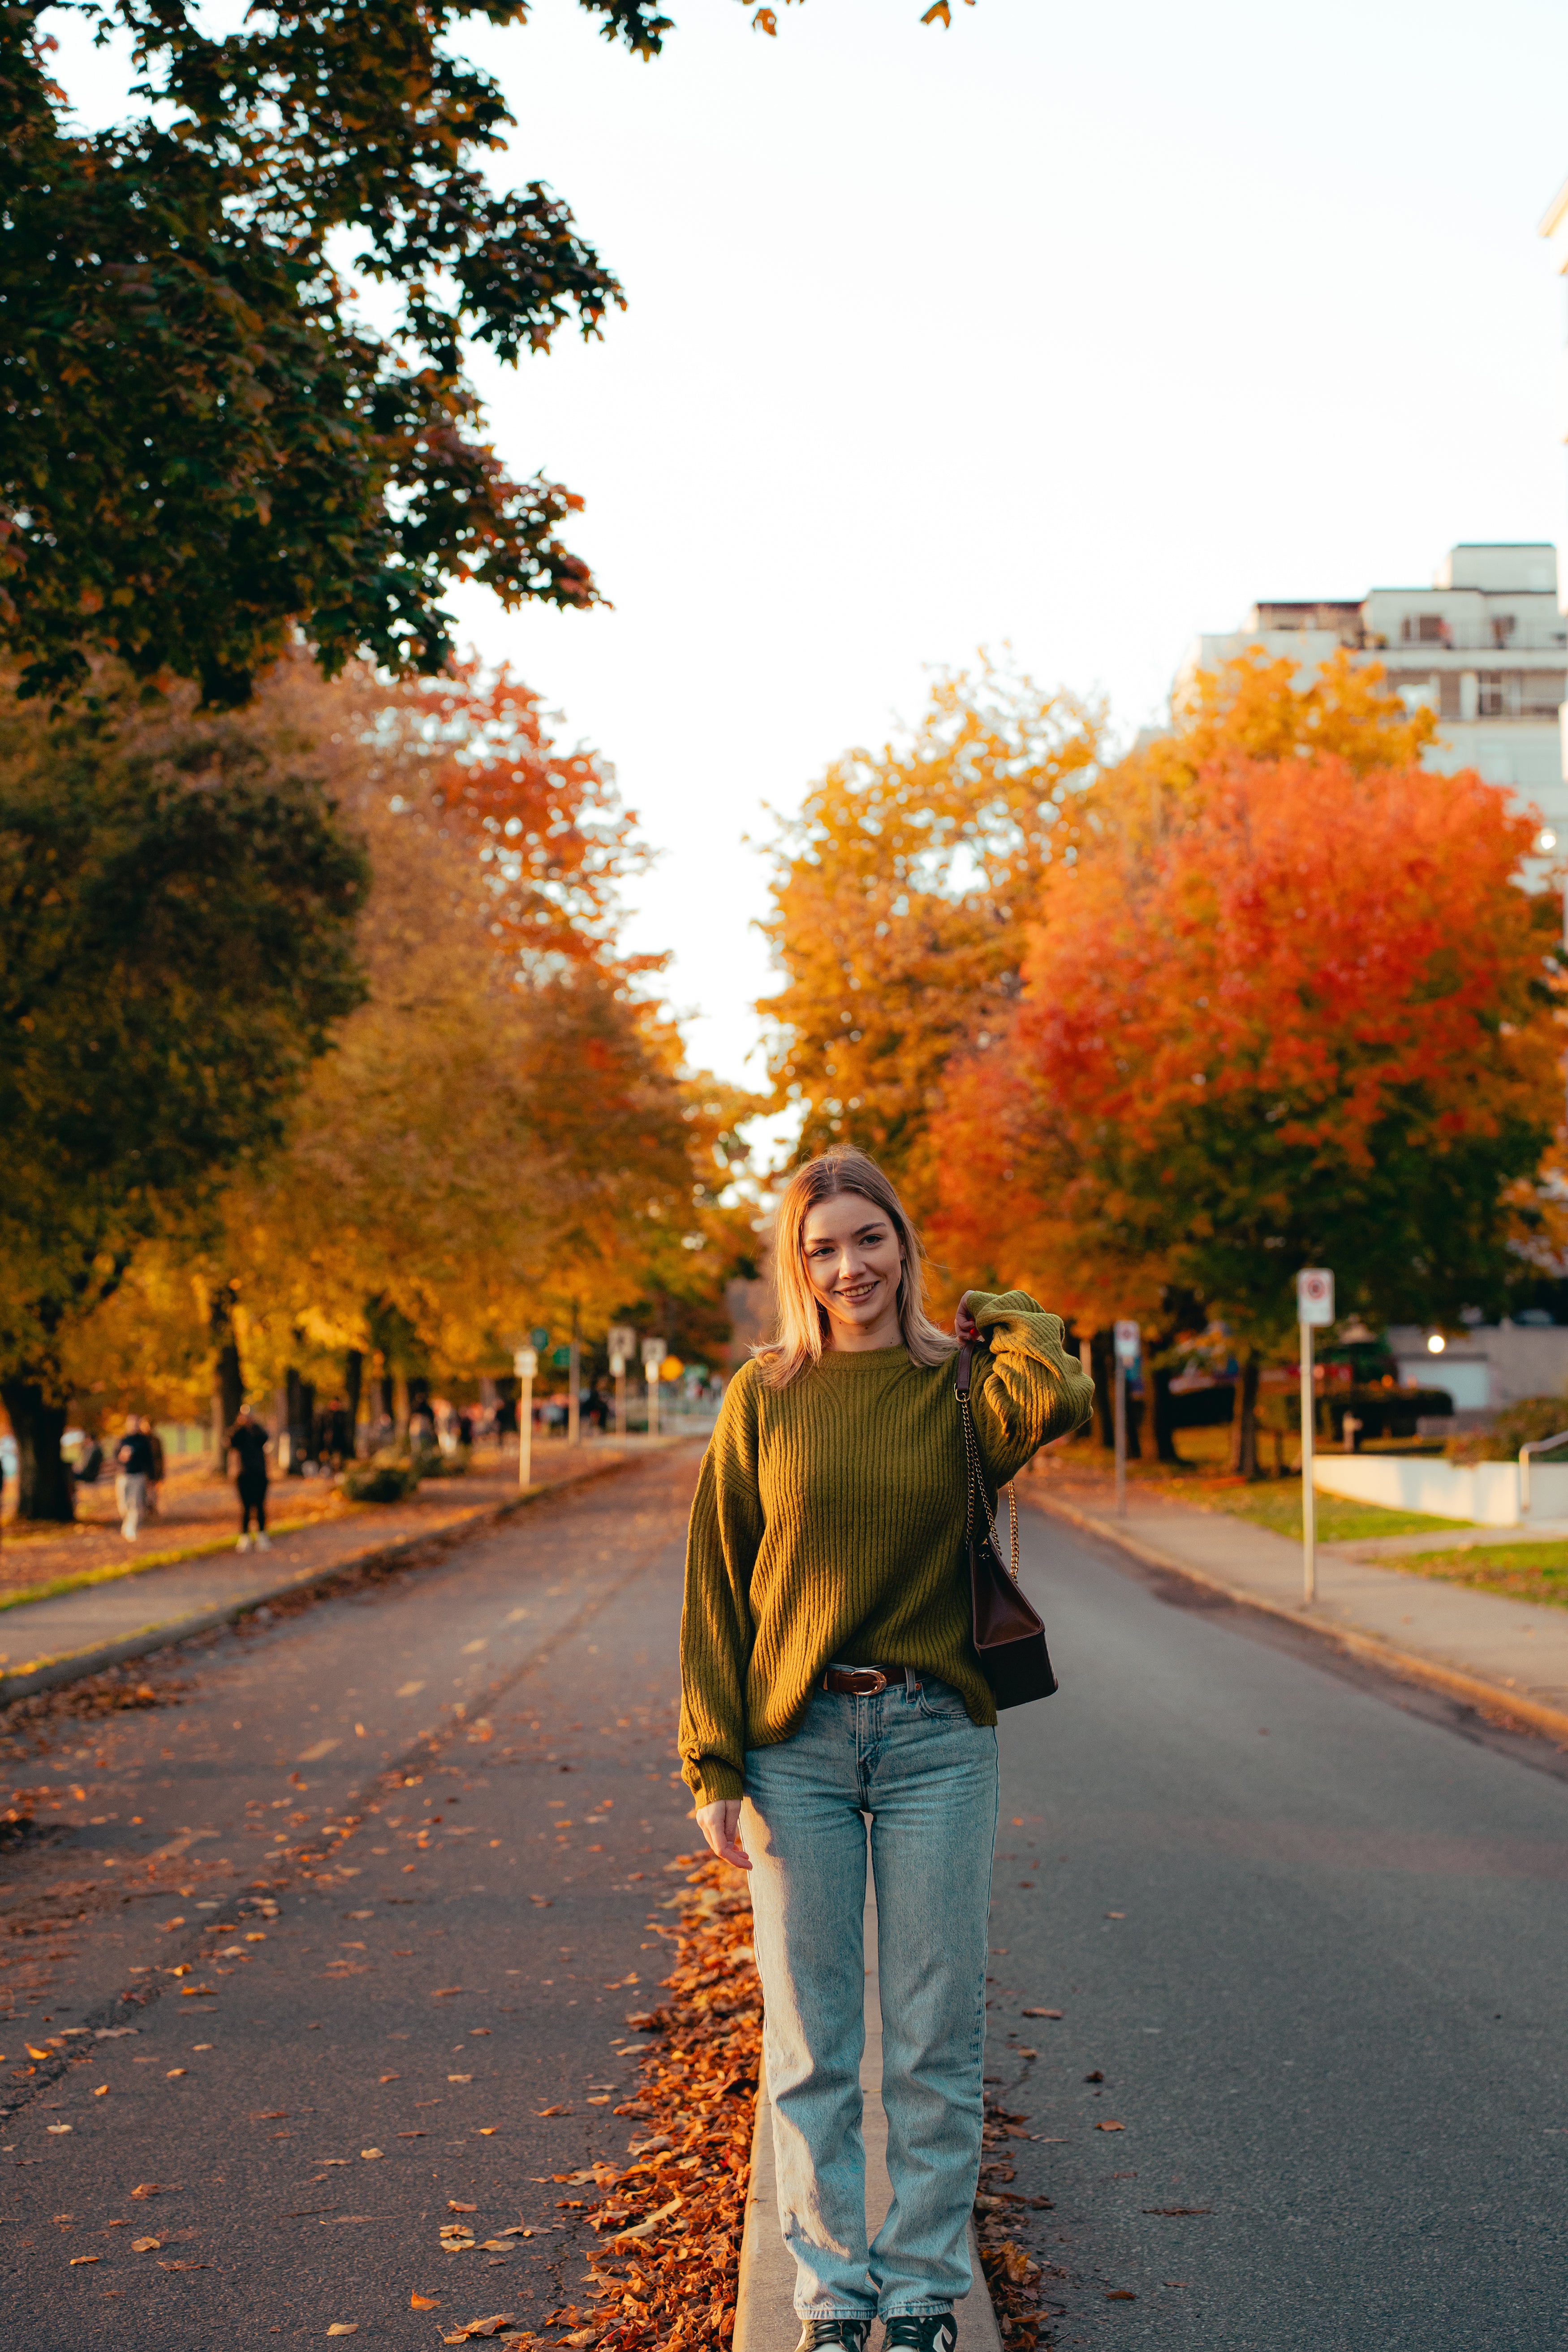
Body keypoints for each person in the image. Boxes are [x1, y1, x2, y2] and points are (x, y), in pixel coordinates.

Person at [680, 1147, 1092, 2352]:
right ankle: (830, 2301)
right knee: (810, 2043)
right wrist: (710, 1762)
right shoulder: (763, 1392)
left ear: (902, 1244)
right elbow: (715, 1583)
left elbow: (1058, 1392)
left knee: (931, 2033)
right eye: (821, 1247)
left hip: (934, 1741)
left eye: (869, 1239)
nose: (847, 1265)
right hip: (793, 1746)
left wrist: (994, 1315)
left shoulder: (958, 1385)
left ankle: (918, 2298)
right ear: (793, 1265)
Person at [227, 1405, 273, 1552]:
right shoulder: (238, 1433)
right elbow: (231, 1441)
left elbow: (265, 1438)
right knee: (246, 1507)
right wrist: (240, 1425)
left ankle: (261, 1535)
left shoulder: (257, 1431)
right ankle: (245, 1537)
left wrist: (254, 1425)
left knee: (260, 1506)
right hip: (244, 1474)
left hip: (259, 1474)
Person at [113, 1414, 155, 1541]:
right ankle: (127, 1524)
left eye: (136, 1424)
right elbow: (116, 1458)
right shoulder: (122, 1441)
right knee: (123, 1505)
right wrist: (122, 1458)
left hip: (138, 1476)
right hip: (123, 1476)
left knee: (135, 1504)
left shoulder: (144, 1442)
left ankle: (132, 1529)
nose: (134, 1426)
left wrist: (152, 1479)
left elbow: (149, 1461)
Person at [141, 1416, 165, 1520]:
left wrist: (160, 1473)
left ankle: (152, 1510)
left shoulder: (155, 1440)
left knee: (153, 1493)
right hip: (142, 1471)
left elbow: (160, 1457)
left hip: (153, 1472)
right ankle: (145, 1510)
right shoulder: (140, 1440)